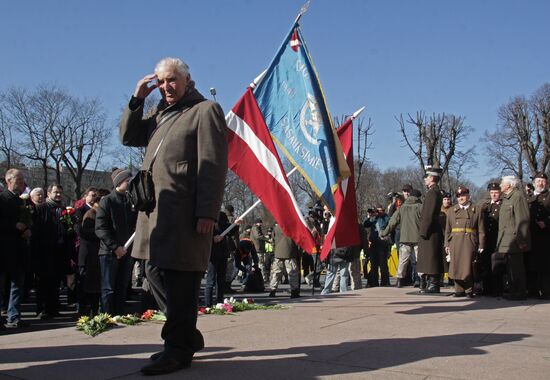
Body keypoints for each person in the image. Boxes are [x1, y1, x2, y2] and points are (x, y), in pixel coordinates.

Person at [120, 57, 228, 375]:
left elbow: (212, 165)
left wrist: (207, 212)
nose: (166, 87)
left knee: (181, 282)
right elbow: (128, 136)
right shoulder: (159, 114)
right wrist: (137, 99)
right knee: (153, 272)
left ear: (187, 80)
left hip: (184, 213)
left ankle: (178, 349)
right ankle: (186, 336)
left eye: (172, 80)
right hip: (155, 214)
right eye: (161, 81)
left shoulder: (205, 110)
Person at [95, 169, 137, 315]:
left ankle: (119, 314)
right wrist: (115, 247)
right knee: (108, 288)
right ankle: (106, 315)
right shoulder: (107, 201)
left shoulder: (130, 200)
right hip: (109, 253)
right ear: (119, 182)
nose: (130, 183)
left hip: (126, 252)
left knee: (122, 286)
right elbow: (101, 229)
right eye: (128, 181)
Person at [34, 184, 71, 319]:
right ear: (48, 193)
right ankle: (42, 308)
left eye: (60, 193)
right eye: (56, 192)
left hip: (59, 250)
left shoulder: (63, 209)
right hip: (45, 250)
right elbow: (37, 231)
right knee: (44, 281)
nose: (58, 195)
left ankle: (53, 307)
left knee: (56, 281)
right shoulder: (41, 208)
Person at [0, 169, 32, 328]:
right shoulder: (2, 198)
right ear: (8, 180)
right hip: (4, 249)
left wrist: (28, 229)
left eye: (22, 180)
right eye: (18, 180)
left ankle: (14, 316)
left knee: (17, 285)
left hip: (19, 249)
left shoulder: (22, 202)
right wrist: (14, 226)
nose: (21, 183)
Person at [444, 186, 485, 297]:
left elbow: (481, 229)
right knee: (455, 265)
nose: (460, 198)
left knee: (468, 266)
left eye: (463, 196)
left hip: (469, 240)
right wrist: (446, 244)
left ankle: (469, 289)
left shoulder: (476, 209)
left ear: (468, 196)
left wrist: (481, 244)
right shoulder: (452, 210)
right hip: (455, 241)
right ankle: (459, 289)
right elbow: (447, 230)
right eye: (458, 196)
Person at [496, 175, 531, 300]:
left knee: (516, 268)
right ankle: (513, 290)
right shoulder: (507, 198)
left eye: (502, 183)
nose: (500, 185)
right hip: (506, 240)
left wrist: (522, 240)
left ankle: (519, 292)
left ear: (509, 185)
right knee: (510, 268)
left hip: (515, 240)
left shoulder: (518, 196)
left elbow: (522, 219)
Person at [381, 188, 422, 288]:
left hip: (404, 238)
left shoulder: (402, 208)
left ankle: (399, 280)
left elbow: (392, 222)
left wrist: (384, 233)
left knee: (403, 260)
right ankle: (421, 279)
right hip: (418, 238)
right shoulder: (421, 207)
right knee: (418, 260)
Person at [417, 166, 444, 293]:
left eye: (427, 177)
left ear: (432, 178)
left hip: (430, 231)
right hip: (432, 229)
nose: (425, 179)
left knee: (431, 257)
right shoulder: (435, 191)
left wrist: (423, 231)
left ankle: (433, 284)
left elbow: (428, 214)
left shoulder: (432, 193)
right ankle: (432, 283)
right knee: (431, 257)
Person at [526, 172, 550, 299]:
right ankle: (532, 290)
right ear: (534, 183)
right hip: (531, 236)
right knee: (531, 265)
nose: (540, 183)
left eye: (543, 181)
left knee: (545, 266)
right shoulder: (528, 198)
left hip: (545, 237)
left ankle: (546, 291)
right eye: (538, 181)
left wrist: (546, 223)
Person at [77, 200, 101, 316]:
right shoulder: (91, 214)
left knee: (94, 285)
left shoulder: (99, 213)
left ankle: (94, 309)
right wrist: (102, 231)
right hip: (89, 255)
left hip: (95, 255)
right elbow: (85, 232)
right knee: (87, 285)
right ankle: (84, 310)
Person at [480, 182, 503, 295]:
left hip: (498, 239)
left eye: (496, 192)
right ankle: (486, 288)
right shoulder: (485, 206)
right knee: (486, 264)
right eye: (492, 193)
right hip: (487, 240)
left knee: (497, 265)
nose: (494, 195)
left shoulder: (503, 205)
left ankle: (497, 289)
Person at [204, 212, 230, 307]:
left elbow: (231, 229)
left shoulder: (222, 217)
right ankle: (208, 304)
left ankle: (219, 302)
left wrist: (236, 223)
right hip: (213, 255)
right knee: (211, 281)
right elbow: (203, 236)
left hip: (222, 254)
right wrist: (212, 239)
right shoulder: (209, 221)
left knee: (220, 280)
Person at [268, 223, 300, 298]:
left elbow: (273, 240)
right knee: (292, 272)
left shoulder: (276, 228)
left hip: (278, 253)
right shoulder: (292, 227)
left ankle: (273, 290)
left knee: (276, 273)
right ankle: (294, 291)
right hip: (290, 252)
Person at [363, 203, 390, 287]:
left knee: (383, 265)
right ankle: (374, 283)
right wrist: (369, 216)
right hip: (374, 244)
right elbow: (365, 224)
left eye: (378, 210)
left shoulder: (385, 217)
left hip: (382, 243)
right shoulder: (373, 218)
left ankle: (384, 282)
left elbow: (388, 223)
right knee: (374, 265)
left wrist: (381, 214)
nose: (376, 212)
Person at [250, 218, 272, 284]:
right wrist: (267, 239)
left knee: (259, 263)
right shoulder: (255, 228)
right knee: (260, 264)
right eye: (260, 223)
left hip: (258, 248)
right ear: (257, 223)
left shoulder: (255, 228)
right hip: (258, 249)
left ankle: (259, 278)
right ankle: (263, 278)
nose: (261, 224)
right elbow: (258, 236)